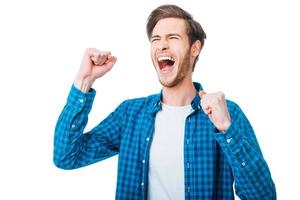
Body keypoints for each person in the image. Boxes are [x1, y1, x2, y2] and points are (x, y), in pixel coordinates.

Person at [53, 4, 276, 200]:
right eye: (156, 39)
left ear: (194, 49)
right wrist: (84, 80)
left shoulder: (227, 114)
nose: (162, 46)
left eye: (173, 38)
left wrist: (227, 131)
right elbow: (66, 157)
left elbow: (264, 196)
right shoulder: (130, 114)